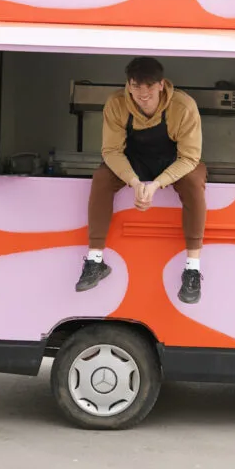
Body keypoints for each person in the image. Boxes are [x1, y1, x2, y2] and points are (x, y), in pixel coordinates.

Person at [75, 57, 206, 304]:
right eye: (136, 87)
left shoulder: (183, 107)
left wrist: (157, 184)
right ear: (129, 84)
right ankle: (94, 260)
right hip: (133, 161)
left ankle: (192, 268)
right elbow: (111, 151)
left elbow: (189, 157)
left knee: (193, 181)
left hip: (175, 162)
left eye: (148, 88)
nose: (142, 95)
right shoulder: (116, 104)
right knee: (102, 177)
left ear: (161, 85)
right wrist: (135, 182)